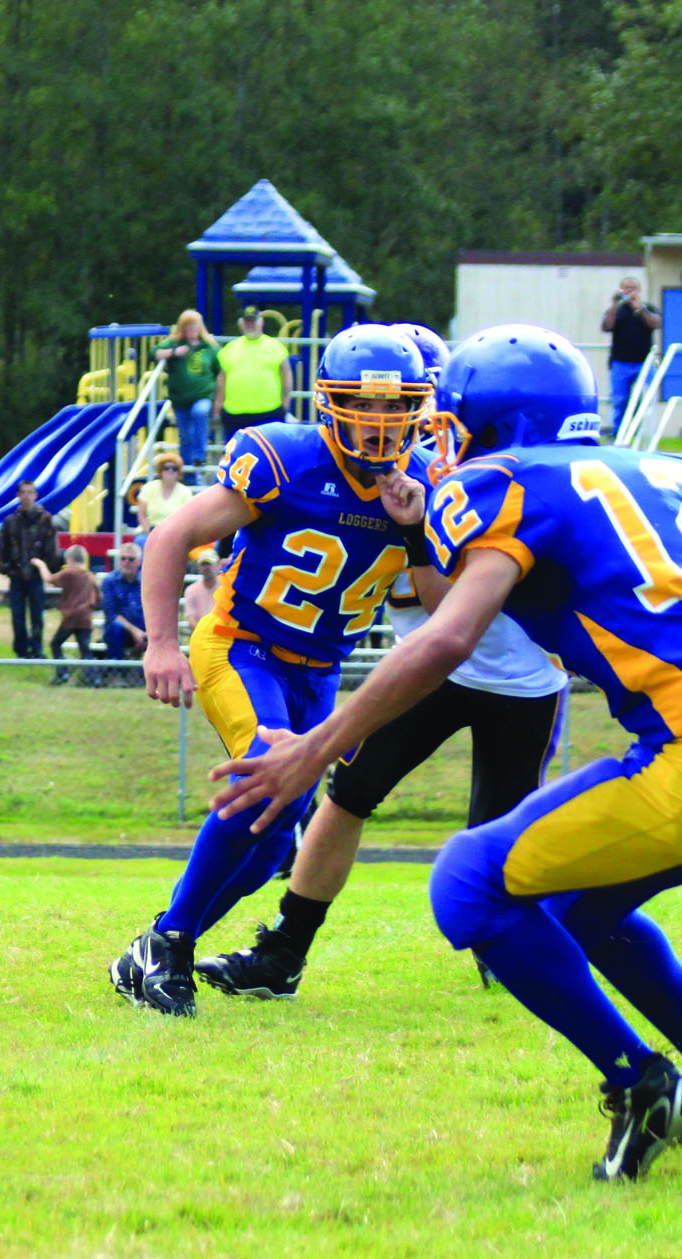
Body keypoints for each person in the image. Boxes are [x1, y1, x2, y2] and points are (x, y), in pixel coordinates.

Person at [210, 323, 682, 1181]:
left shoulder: (502, 482)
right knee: (582, 913)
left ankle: (642, 1082)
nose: (440, 438)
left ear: (489, 423)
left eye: (451, 420)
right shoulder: (663, 471)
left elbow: (447, 636)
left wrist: (317, 747)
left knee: (465, 883)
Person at [195, 322, 574, 1004]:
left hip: (518, 680)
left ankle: (516, 954)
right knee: (344, 795)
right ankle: (284, 949)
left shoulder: (513, 484)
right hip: (429, 670)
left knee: (497, 835)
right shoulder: (405, 474)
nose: (409, 426)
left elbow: (456, 597)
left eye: (419, 411)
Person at [108, 322, 434, 1019]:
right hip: (241, 645)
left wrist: (413, 528)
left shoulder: (425, 480)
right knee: (267, 781)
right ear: (331, 402)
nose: (380, 423)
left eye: (394, 404)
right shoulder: (285, 459)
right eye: (364, 404)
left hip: (319, 674)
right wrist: (161, 642)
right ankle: (168, 942)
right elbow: (171, 535)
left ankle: (160, 944)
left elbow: (438, 607)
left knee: (266, 848)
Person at [0, 480, 61, 658]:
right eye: (23, 492)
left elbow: (52, 548)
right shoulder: (11, 521)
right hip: (16, 576)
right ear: (18, 495)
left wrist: (44, 566)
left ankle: (37, 647)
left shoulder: (45, 520)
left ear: (36, 495)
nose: (27, 496)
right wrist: (6, 568)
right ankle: (21, 649)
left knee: (37, 615)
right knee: (18, 616)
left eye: (30, 492)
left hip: (36, 576)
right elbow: (1, 548)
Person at [156, 309, 221, 476]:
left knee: (199, 413)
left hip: (203, 396)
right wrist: (173, 353)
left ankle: (200, 455)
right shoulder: (174, 343)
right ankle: (188, 474)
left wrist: (219, 401)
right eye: (187, 326)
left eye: (194, 325)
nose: (191, 329)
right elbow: (154, 353)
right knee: (185, 436)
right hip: (180, 399)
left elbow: (220, 373)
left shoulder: (210, 348)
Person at [215, 306, 292, 439]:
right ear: (241, 324)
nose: (249, 325)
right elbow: (222, 378)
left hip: (269, 411)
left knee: (269, 454)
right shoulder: (230, 348)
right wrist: (219, 405)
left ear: (261, 322)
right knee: (237, 454)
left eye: (253, 321)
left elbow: (287, 376)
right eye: (246, 322)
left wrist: (285, 403)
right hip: (234, 413)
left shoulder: (275, 346)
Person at [601, 276, 660, 424]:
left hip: (644, 363)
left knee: (647, 397)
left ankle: (643, 432)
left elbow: (655, 324)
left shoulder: (648, 308)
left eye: (632, 288)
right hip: (620, 363)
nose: (629, 291)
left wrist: (639, 308)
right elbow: (607, 327)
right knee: (620, 400)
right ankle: (618, 433)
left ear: (638, 291)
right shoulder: (616, 310)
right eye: (626, 288)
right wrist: (615, 304)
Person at [42, 546, 97, 685]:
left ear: (70, 559)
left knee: (56, 644)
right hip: (86, 618)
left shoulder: (69, 572)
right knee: (85, 649)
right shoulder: (90, 576)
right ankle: (93, 677)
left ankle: (62, 673)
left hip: (71, 617)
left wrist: (40, 564)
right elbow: (99, 596)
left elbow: (49, 579)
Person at [99, 542, 147, 680]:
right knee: (115, 627)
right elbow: (111, 614)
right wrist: (135, 632)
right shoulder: (109, 582)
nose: (126, 562)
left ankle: (149, 676)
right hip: (120, 632)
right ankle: (115, 675)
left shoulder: (148, 581)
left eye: (131, 559)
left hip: (145, 628)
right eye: (123, 558)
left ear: (139, 562)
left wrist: (146, 633)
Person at [136, 452, 193, 540]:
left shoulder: (185, 492)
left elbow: (187, 519)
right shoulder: (149, 487)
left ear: (179, 472)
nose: (170, 471)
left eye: (174, 469)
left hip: (174, 534)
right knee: (141, 541)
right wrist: (149, 532)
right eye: (166, 468)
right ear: (160, 470)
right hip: (149, 531)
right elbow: (141, 514)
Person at [182, 552, 219, 627]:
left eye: (209, 564)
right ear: (198, 567)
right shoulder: (191, 590)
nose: (206, 567)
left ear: (218, 565)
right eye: (203, 564)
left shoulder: (226, 587)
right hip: (201, 632)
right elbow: (190, 617)